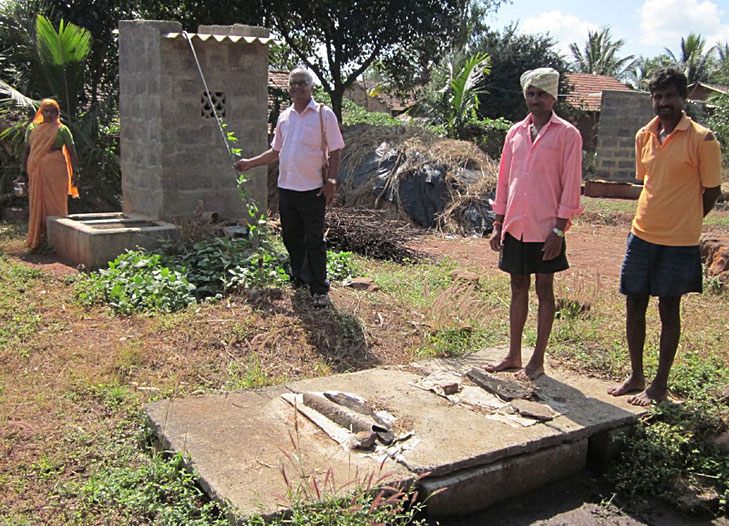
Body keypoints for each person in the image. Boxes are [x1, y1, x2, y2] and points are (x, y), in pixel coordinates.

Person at [608, 68, 722, 406]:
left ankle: (659, 384)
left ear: (683, 96)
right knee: (634, 302)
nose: (663, 103)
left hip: (679, 241)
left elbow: (712, 191)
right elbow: (648, 183)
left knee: (668, 310)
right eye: (657, 97)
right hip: (641, 235)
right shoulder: (644, 135)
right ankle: (636, 374)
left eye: (670, 96)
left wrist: (687, 220)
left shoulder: (703, 139)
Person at [486, 67, 583, 380]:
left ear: (553, 96)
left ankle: (537, 360)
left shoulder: (567, 134)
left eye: (541, 94)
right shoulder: (515, 133)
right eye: (530, 93)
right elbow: (504, 179)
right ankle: (513, 354)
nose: (535, 99)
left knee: (544, 288)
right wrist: (498, 221)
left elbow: (571, 184)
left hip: (546, 228)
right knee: (517, 287)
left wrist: (559, 229)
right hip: (516, 224)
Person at [235, 67, 344, 308]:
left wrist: (332, 182)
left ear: (311, 87)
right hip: (286, 188)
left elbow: (335, 150)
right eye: (293, 83)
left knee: (314, 239)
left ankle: (319, 289)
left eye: (302, 83)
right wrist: (249, 164)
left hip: (313, 189)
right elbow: (275, 152)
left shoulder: (324, 115)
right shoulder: (285, 117)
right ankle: (300, 275)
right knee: (291, 237)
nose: (296, 87)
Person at [18, 99, 79, 250]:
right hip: (36, 167)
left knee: (57, 201)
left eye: (53, 111)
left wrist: (76, 172)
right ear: (41, 112)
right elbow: (26, 151)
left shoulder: (62, 129)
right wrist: (22, 173)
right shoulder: (32, 128)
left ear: (57, 113)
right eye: (46, 110)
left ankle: (59, 240)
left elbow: (72, 152)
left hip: (57, 168)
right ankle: (39, 238)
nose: (49, 114)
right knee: (38, 200)